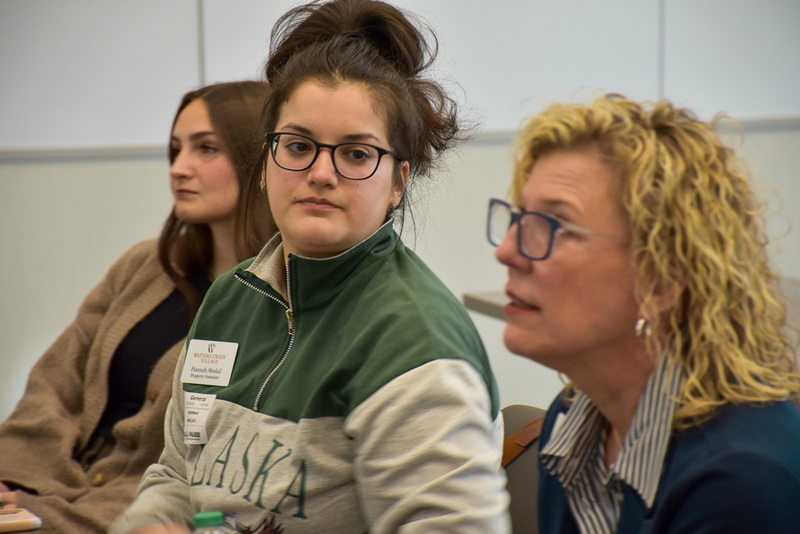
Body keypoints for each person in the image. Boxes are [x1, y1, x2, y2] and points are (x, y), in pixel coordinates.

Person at [111, 1, 509, 533]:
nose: (321, 173)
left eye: (356, 154)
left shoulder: (414, 342)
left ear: (399, 182)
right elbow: (177, 473)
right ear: (264, 164)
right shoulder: (231, 298)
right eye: (297, 146)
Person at [488, 93, 800, 533]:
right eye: (519, 219)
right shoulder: (573, 418)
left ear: (661, 279)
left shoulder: (744, 480)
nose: (506, 251)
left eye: (552, 225)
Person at [0, 81, 274, 533]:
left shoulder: (275, 303)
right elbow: (53, 386)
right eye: (175, 149)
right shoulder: (143, 267)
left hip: (138, 514)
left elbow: (202, 469)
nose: (178, 168)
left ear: (258, 161)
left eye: (205, 149)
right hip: (40, 494)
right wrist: (14, 477)